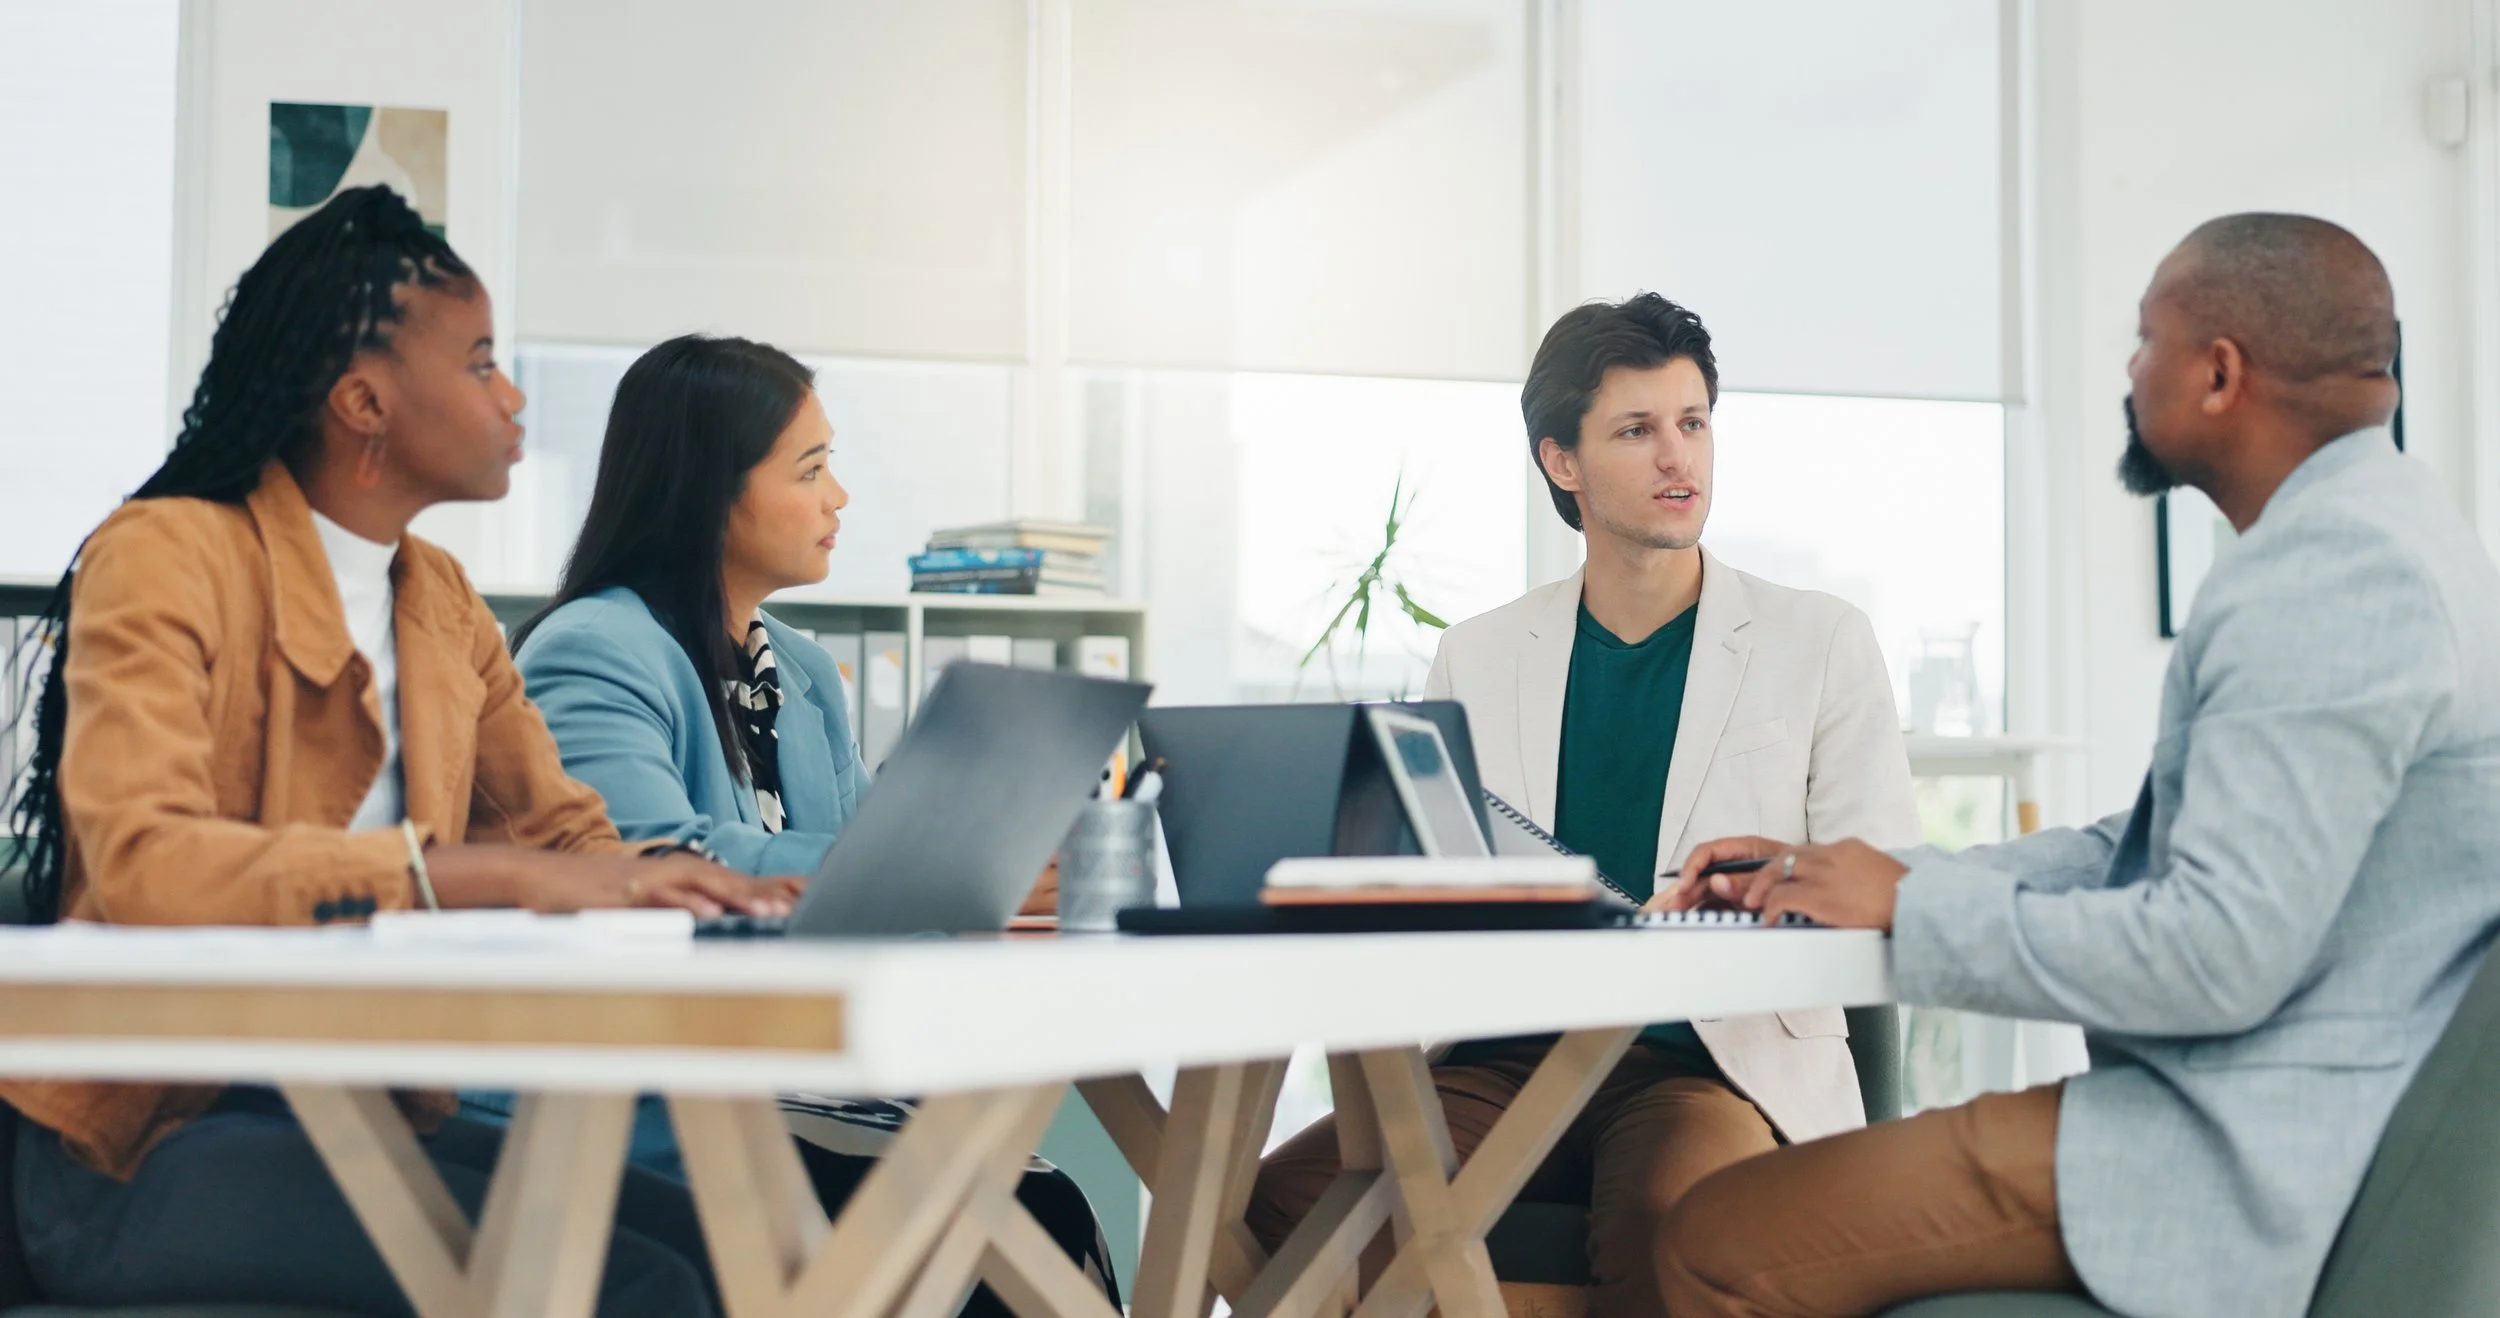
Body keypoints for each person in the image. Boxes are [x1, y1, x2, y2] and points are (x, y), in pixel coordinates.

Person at [1654, 214, 2500, 1318]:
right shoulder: (2389, 527)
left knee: (1718, 1234)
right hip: (2265, 1109)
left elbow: (2217, 954)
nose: (2129, 369)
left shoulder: (2333, 569)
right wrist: (1877, 876)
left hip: (2239, 1160)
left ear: (2217, 372)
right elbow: (2138, 848)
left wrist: (1907, 906)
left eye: (2144, 339)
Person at [0, 187, 797, 1316]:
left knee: (753, 1249)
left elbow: (564, 838)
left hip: (365, 1115)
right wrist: (463, 873)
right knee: (634, 1288)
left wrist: (699, 891)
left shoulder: (440, 600)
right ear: (364, 401)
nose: (513, 397)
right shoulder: (165, 553)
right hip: (149, 1147)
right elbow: (146, 865)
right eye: (479, 363)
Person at [1244, 293, 1919, 1318]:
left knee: (1678, 1222)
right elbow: (1439, 880)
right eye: (1636, 430)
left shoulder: (1817, 639)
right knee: (1279, 1199)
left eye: (1691, 423)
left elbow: (1884, 876)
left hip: (1704, 1061)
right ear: (1562, 461)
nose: (1676, 458)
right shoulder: (1477, 653)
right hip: (1509, 1053)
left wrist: (1775, 882)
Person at [469, 333, 1117, 1310]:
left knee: (1036, 1202)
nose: (839, 498)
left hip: (804, 1075)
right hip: (662, 1093)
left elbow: (871, 866)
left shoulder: (803, 673)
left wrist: (984, 872)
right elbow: (657, 863)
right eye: (810, 469)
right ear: (705, 489)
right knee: (1018, 1219)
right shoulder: (595, 647)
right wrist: (933, 872)